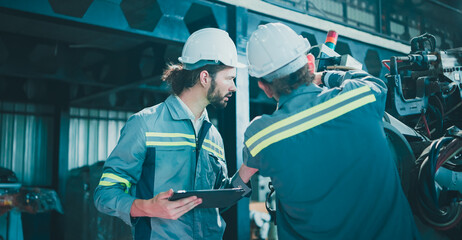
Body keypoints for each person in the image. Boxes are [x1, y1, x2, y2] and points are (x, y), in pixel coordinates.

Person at [236, 22, 421, 239]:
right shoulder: (360, 97)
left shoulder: (260, 136)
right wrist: (326, 76)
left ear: (264, 87)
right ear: (310, 64)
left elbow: (240, 182)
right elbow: (372, 82)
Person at [94, 28, 252, 240]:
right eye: (229, 78)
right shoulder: (145, 124)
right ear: (205, 77)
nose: (234, 87)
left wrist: (249, 168)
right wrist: (147, 207)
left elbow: (217, 201)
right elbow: (105, 194)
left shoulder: (213, 136)